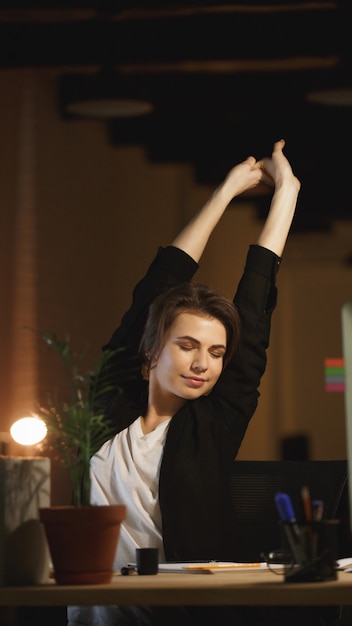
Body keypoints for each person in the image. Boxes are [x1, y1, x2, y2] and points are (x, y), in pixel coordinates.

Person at [68, 140, 301, 626]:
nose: (203, 364)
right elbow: (158, 284)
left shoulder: (212, 425)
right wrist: (226, 191)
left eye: (216, 353)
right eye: (187, 346)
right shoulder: (106, 411)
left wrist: (286, 195)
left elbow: (254, 315)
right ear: (150, 351)